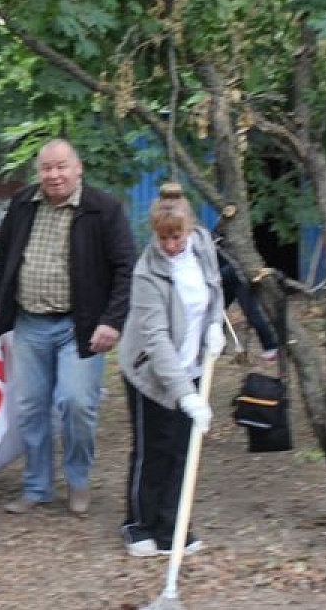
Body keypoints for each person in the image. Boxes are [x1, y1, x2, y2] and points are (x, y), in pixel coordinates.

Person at [0, 138, 135, 517]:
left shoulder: (103, 209)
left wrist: (112, 321)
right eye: (46, 168)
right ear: (38, 171)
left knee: (77, 403)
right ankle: (37, 487)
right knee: (30, 407)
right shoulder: (23, 203)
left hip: (81, 326)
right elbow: (2, 252)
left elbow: (125, 268)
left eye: (61, 166)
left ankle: (78, 480)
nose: (54, 175)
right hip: (29, 322)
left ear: (78, 167)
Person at [116, 183, 225, 557]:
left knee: (183, 447)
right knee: (154, 448)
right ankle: (138, 525)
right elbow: (156, 340)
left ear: (190, 229)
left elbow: (214, 287)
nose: (171, 245)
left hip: (192, 363)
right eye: (164, 238)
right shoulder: (147, 273)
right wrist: (186, 395)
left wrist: (215, 324)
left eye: (177, 236)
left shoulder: (204, 245)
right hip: (149, 371)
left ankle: (171, 527)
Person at [213, 228, 279, 362]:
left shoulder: (216, 239)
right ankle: (218, 345)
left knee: (250, 312)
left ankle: (271, 346)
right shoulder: (215, 238)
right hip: (229, 277)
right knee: (217, 312)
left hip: (235, 277)